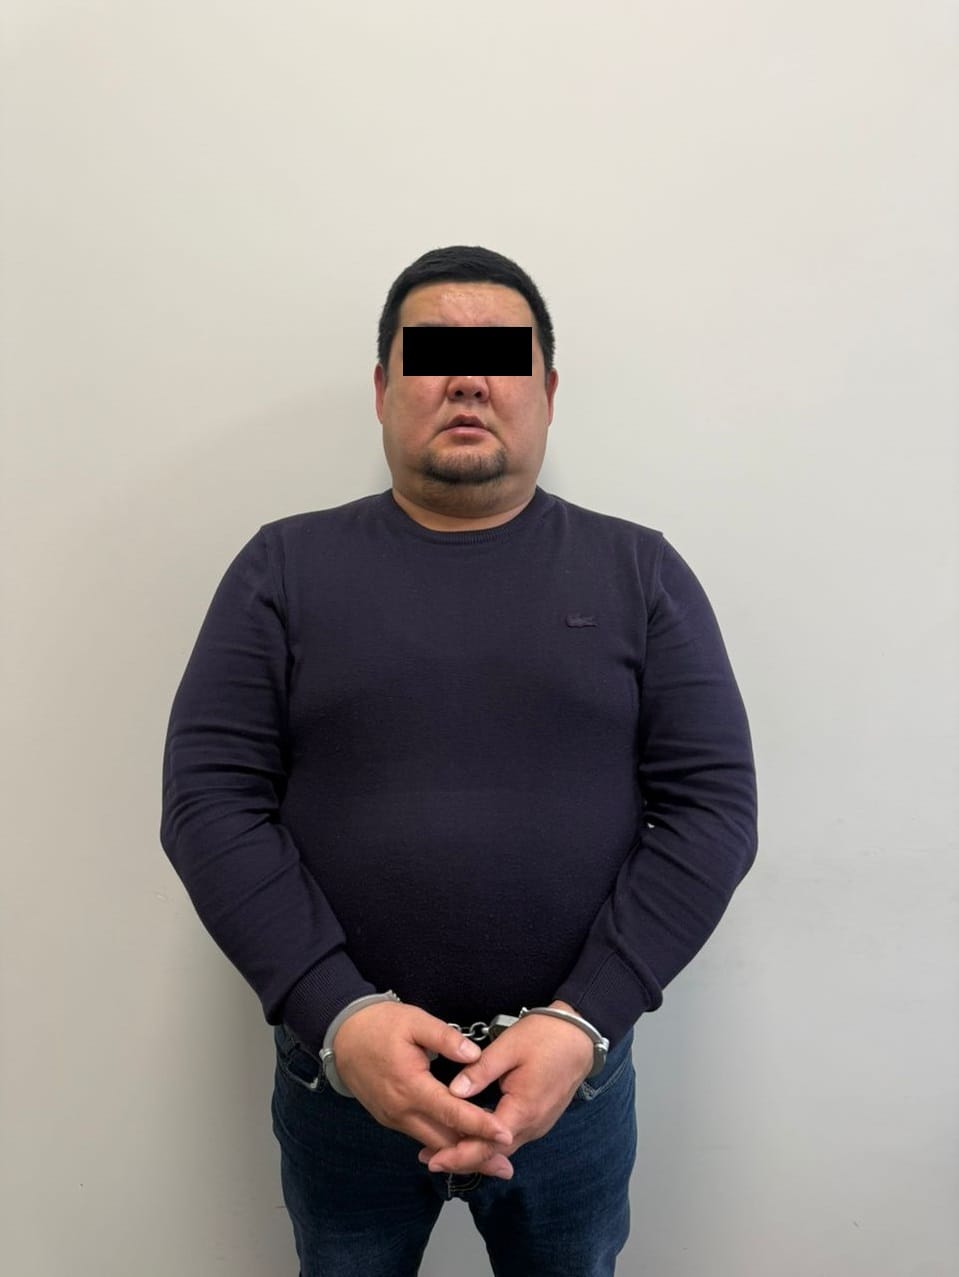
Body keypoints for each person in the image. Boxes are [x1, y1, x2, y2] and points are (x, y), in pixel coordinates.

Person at [159, 244, 758, 1276]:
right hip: (341, 1082)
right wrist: (338, 1012)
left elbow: (711, 810)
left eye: (502, 357)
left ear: (547, 393)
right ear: (383, 390)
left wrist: (583, 1019)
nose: (469, 380)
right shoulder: (282, 569)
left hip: (569, 1081)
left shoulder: (638, 572)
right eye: (434, 356)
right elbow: (209, 801)